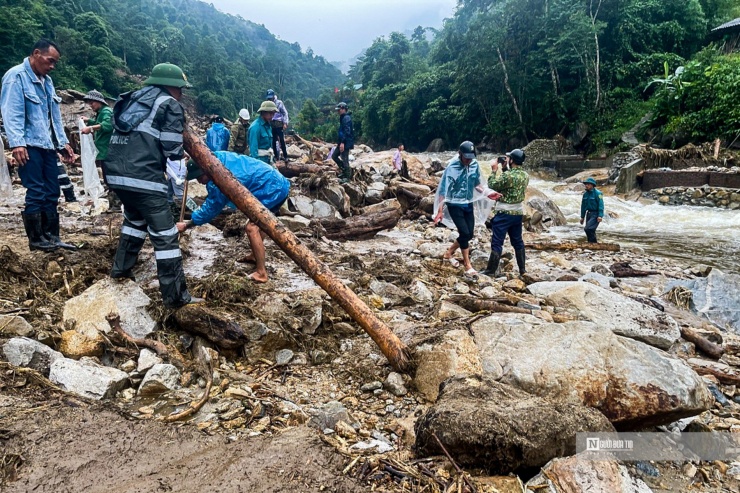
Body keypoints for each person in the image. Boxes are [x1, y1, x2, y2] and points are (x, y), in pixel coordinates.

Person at [104, 62, 202, 309]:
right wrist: (183, 155)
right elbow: (171, 149)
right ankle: (176, 299)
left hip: (116, 176)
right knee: (166, 237)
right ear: (169, 86)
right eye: (180, 88)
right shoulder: (169, 105)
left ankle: (121, 271)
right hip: (144, 178)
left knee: (135, 221)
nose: (182, 93)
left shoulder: (131, 99)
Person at [1, 39, 77, 252]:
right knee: (36, 190)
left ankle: (52, 236)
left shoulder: (48, 81)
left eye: (55, 63)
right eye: (50, 61)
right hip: (28, 144)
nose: (52, 66)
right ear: (36, 53)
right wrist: (17, 143)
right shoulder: (16, 77)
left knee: (52, 190)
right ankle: (36, 239)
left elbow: (54, 117)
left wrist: (62, 143)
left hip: (47, 145)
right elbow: (11, 112)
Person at [177, 151, 290, 283]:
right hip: (274, 181)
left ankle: (261, 273)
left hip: (272, 189)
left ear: (205, 170)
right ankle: (255, 256)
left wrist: (186, 225)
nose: (199, 182)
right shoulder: (216, 158)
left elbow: (210, 209)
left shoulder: (220, 180)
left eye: (199, 177)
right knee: (260, 225)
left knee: (251, 228)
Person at [433, 141, 501, 277]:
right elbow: (443, 191)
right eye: (466, 157)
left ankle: (449, 253)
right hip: (454, 204)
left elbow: (477, 184)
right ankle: (467, 264)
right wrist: (440, 211)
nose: (468, 160)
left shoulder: (474, 164)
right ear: (460, 154)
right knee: (464, 232)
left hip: (468, 203)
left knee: (469, 234)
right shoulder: (452, 167)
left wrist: (488, 193)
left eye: (471, 157)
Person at [481, 148, 530, 277]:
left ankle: (491, 270)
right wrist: (504, 168)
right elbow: (511, 183)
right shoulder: (525, 175)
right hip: (517, 213)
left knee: (497, 241)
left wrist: (493, 170)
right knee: (517, 241)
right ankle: (523, 270)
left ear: (512, 160)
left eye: (508, 158)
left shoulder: (507, 175)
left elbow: (493, 184)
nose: (506, 160)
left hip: (504, 213)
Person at [80, 89, 117, 206]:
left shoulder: (106, 111)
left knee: (111, 178)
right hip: (103, 151)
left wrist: (90, 128)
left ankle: (115, 204)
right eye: (89, 103)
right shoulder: (101, 113)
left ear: (99, 101)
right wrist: (89, 121)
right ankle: (113, 199)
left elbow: (108, 125)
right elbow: (99, 122)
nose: (91, 105)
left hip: (108, 151)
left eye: (92, 103)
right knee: (108, 178)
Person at [249, 100, 277, 165]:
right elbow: (253, 151)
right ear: (263, 113)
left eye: (273, 113)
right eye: (270, 113)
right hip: (260, 161)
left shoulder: (268, 126)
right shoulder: (255, 127)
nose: (272, 116)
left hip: (268, 160)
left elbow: (270, 145)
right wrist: (259, 166)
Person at [332, 102, 354, 182]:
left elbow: (347, 131)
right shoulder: (342, 117)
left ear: (344, 109)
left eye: (339, 110)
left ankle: (347, 177)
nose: (338, 111)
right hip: (341, 141)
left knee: (345, 159)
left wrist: (343, 143)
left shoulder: (346, 118)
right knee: (334, 156)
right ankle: (344, 171)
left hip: (345, 142)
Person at [266, 89, 289, 162]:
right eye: (269, 98)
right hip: (272, 124)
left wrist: (285, 123)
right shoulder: (267, 104)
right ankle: (276, 157)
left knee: (282, 140)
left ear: (273, 96)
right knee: (273, 140)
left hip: (279, 124)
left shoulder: (279, 103)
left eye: (271, 98)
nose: (270, 99)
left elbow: (285, 113)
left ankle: (285, 156)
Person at [580, 177, 604, 243]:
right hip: (589, 214)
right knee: (590, 230)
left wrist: (600, 215)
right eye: (586, 184)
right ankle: (591, 243)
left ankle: (593, 243)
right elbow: (583, 206)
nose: (586, 186)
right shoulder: (585, 194)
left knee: (588, 228)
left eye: (588, 184)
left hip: (595, 214)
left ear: (592, 185)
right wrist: (582, 217)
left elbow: (601, 205)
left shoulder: (599, 194)